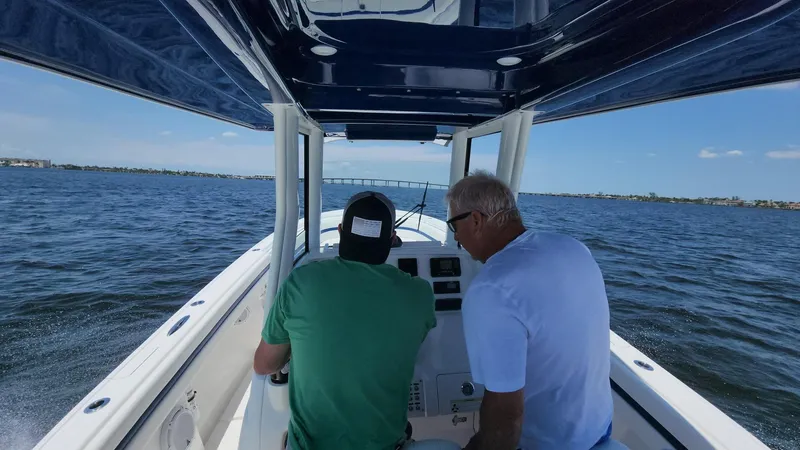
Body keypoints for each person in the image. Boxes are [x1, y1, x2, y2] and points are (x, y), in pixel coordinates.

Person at [252, 191, 437, 450]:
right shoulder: (420, 294)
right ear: (392, 239)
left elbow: (264, 364)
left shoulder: (302, 281)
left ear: (340, 231)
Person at [445, 172, 613, 450]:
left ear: (475, 220)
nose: (457, 239)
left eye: (454, 225)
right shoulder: (574, 248)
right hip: (598, 428)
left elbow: (505, 413)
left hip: (548, 443)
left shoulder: (492, 288)